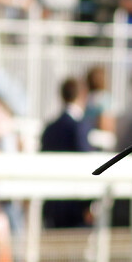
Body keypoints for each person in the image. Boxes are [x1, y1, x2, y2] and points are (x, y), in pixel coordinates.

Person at [40, 77, 92, 228]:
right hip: (75, 208)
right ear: (82, 95)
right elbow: (86, 165)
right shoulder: (79, 127)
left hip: (51, 205)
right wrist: (88, 204)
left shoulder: (49, 128)